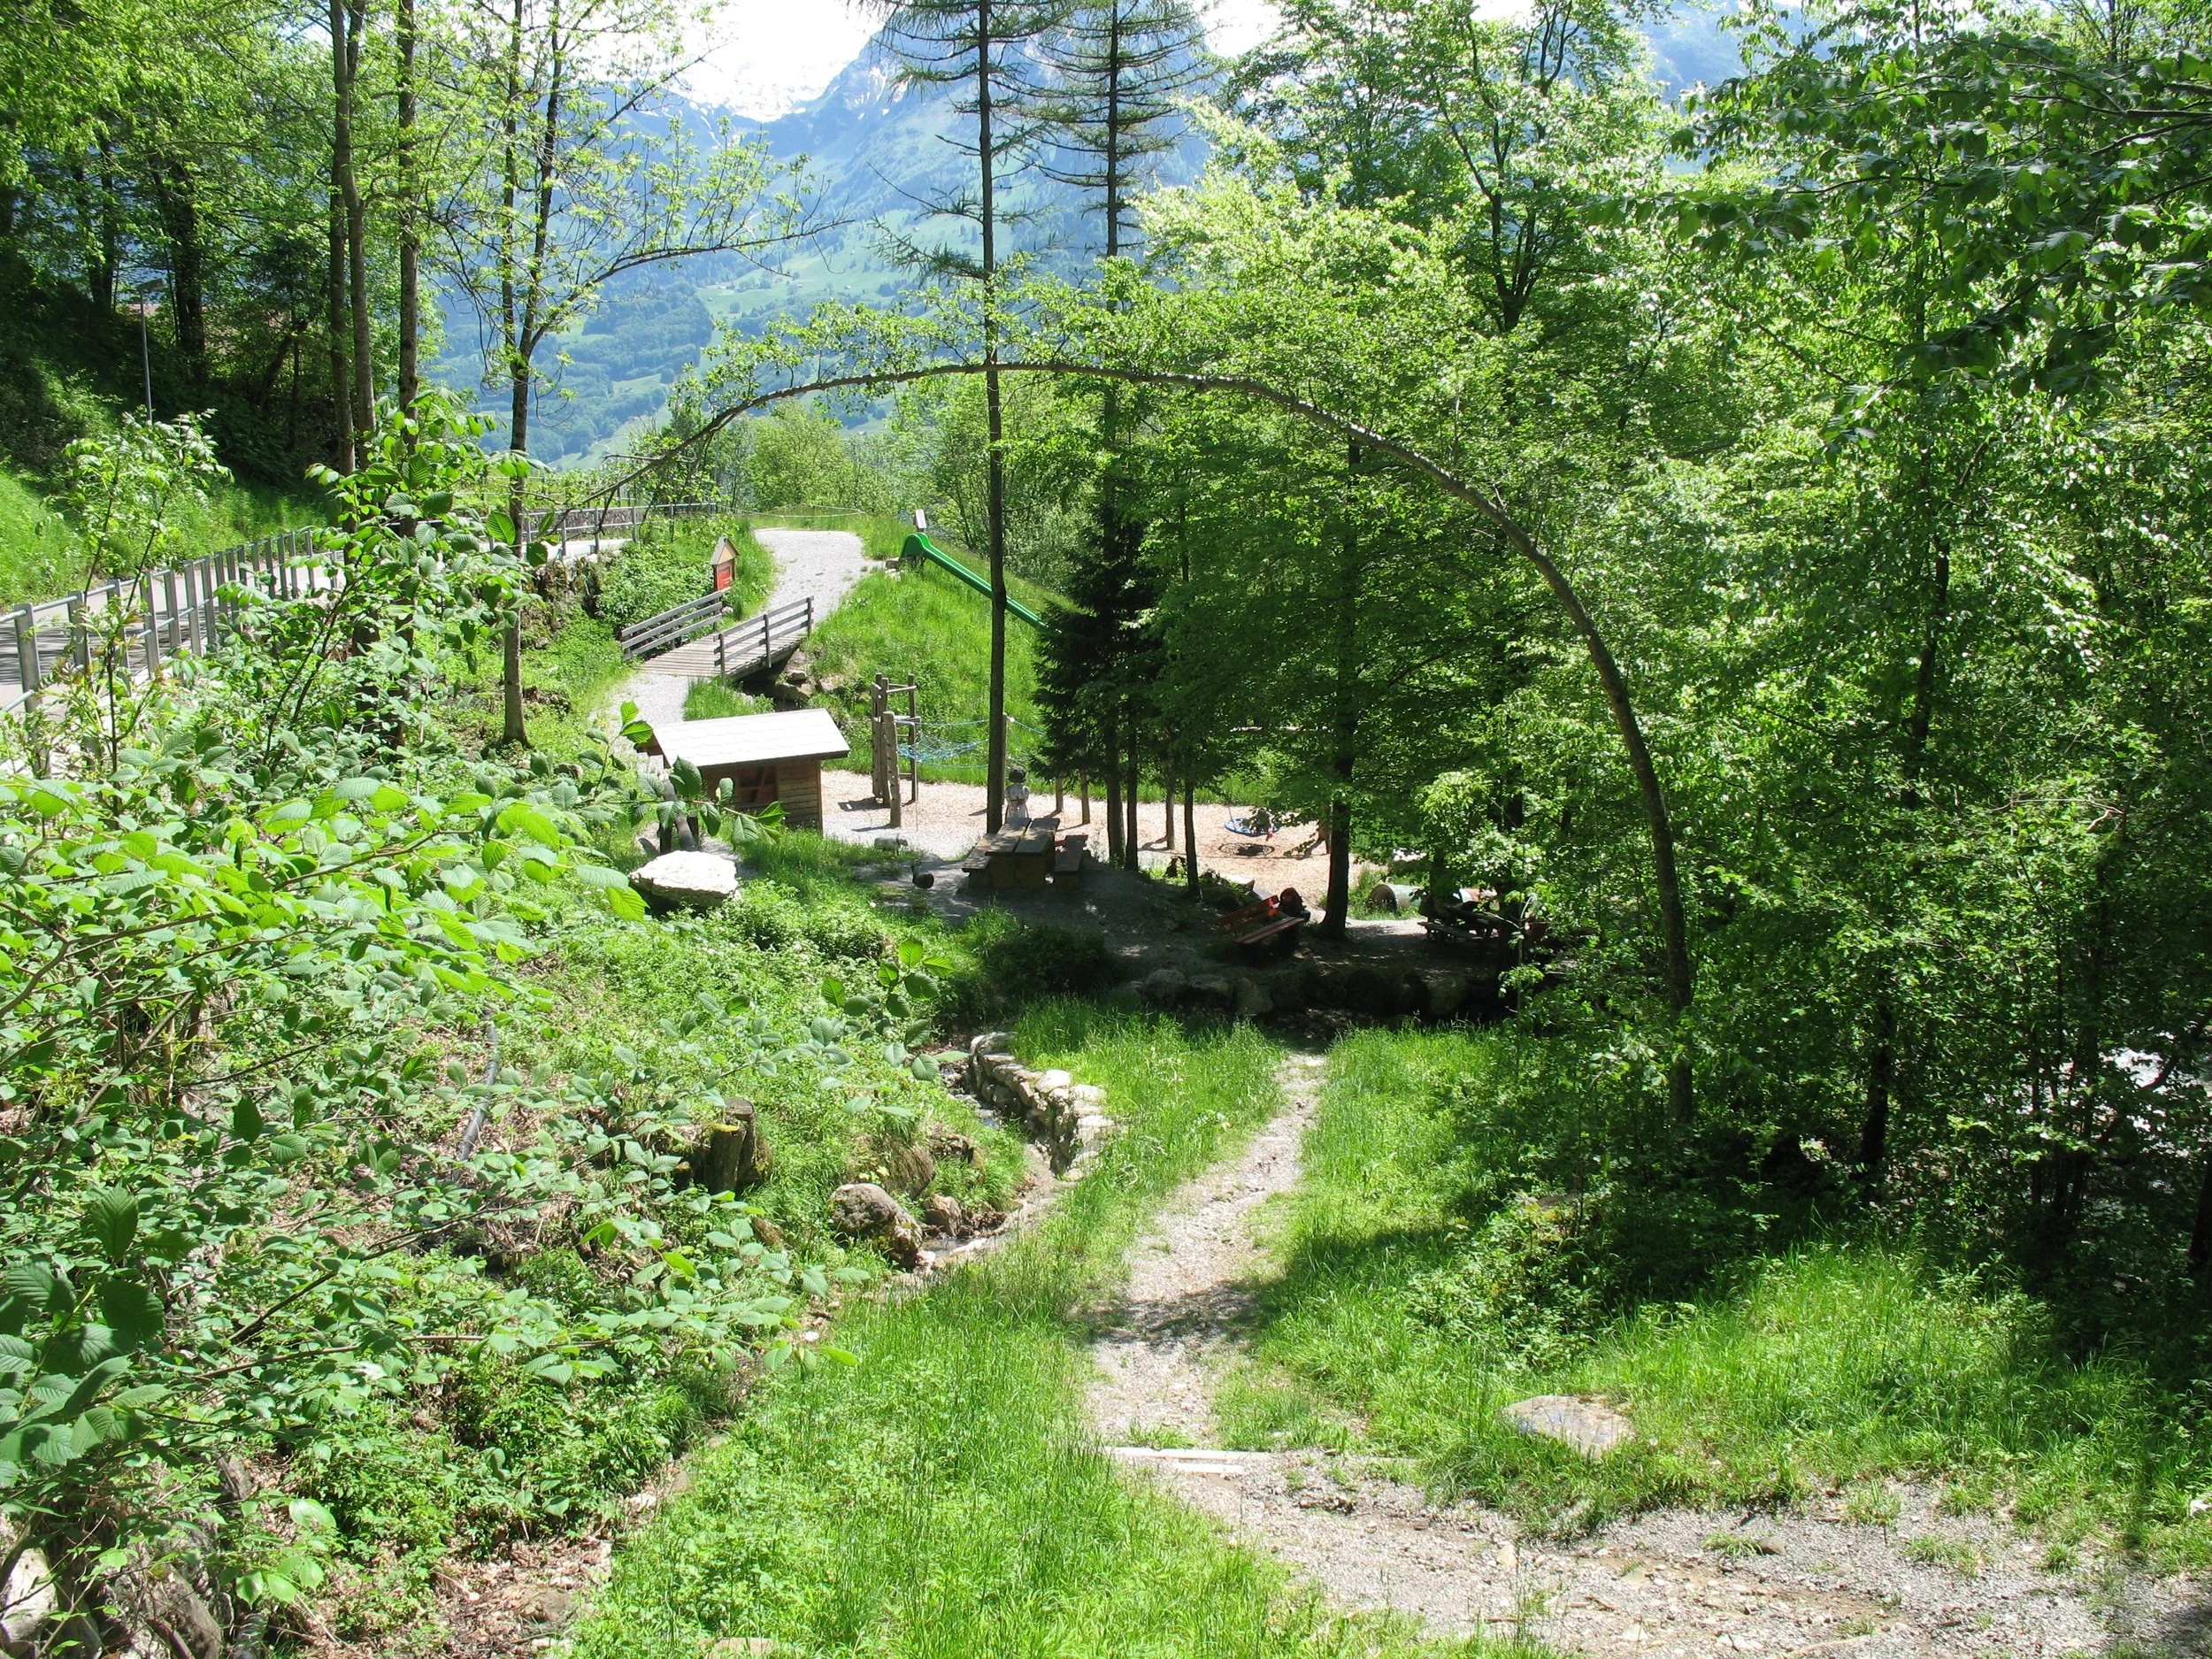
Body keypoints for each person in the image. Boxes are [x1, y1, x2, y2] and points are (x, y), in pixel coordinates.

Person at [1005, 764, 1031, 829]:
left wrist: (1011, 806)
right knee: (1023, 820)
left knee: (1011, 821)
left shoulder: (1008, 788)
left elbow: (1008, 798)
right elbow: (1025, 799)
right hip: (1021, 806)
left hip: (1012, 805)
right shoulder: (1026, 788)